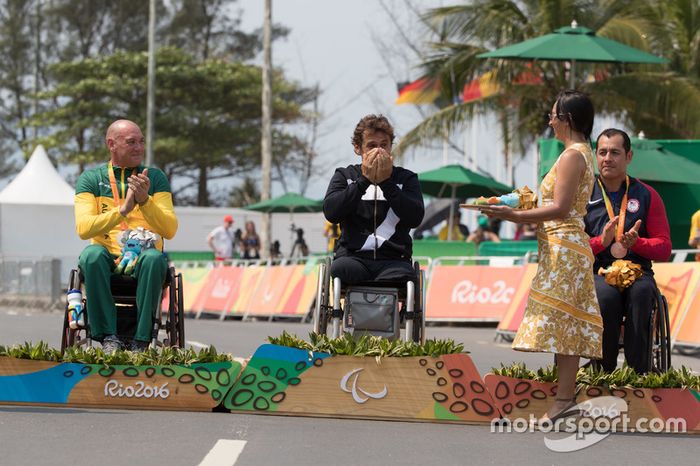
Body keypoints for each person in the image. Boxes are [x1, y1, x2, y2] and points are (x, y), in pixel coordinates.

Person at [479, 90, 602, 423]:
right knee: (566, 325)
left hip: (565, 248)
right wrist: (516, 206)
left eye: (553, 115)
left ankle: (564, 398)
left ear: (567, 120)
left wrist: (514, 216)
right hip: (560, 247)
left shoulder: (573, 155)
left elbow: (561, 208)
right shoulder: (578, 153)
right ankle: (564, 396)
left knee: (564, 325)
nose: (550, 121)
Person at [74, 119, 178, 353]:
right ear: (112, 144)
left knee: (153, 258)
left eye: (141, 142)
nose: (139, 147)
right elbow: (84, 228)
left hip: (143, 259)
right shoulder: (90, 179)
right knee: (91, 254)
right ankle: (108, 336)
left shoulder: (155, 178)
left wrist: (145, 201)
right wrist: (122, 210)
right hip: (107, 260)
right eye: (131, 142)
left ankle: (141, 340)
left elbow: (170, 229)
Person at [584, 128, 672, 373]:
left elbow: (664, 248)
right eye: (602, 152)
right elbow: (574, 247)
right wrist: (601, 241)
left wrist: (638, 243)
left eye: (615, 152)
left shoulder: (647, 195)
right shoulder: (583, 194)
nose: (607, 158)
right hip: (598, 271)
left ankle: (639, 370)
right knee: (606, 298)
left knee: (642, 294)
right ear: (595, 155)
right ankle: (602, 370)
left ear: (629, 156)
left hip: (638, 271)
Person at [323, 114, 424, 284]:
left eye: (384, 145)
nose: (378, 151)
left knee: (403, 276)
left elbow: (415, 218)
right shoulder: (345, 176)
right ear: (358, 148)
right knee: (343, 269)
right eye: (371, 146)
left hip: (394, 260)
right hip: (353, 257)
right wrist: (364, 181)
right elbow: (331, 213)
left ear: (391, 147)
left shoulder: (406, 178)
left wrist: (386, 183)